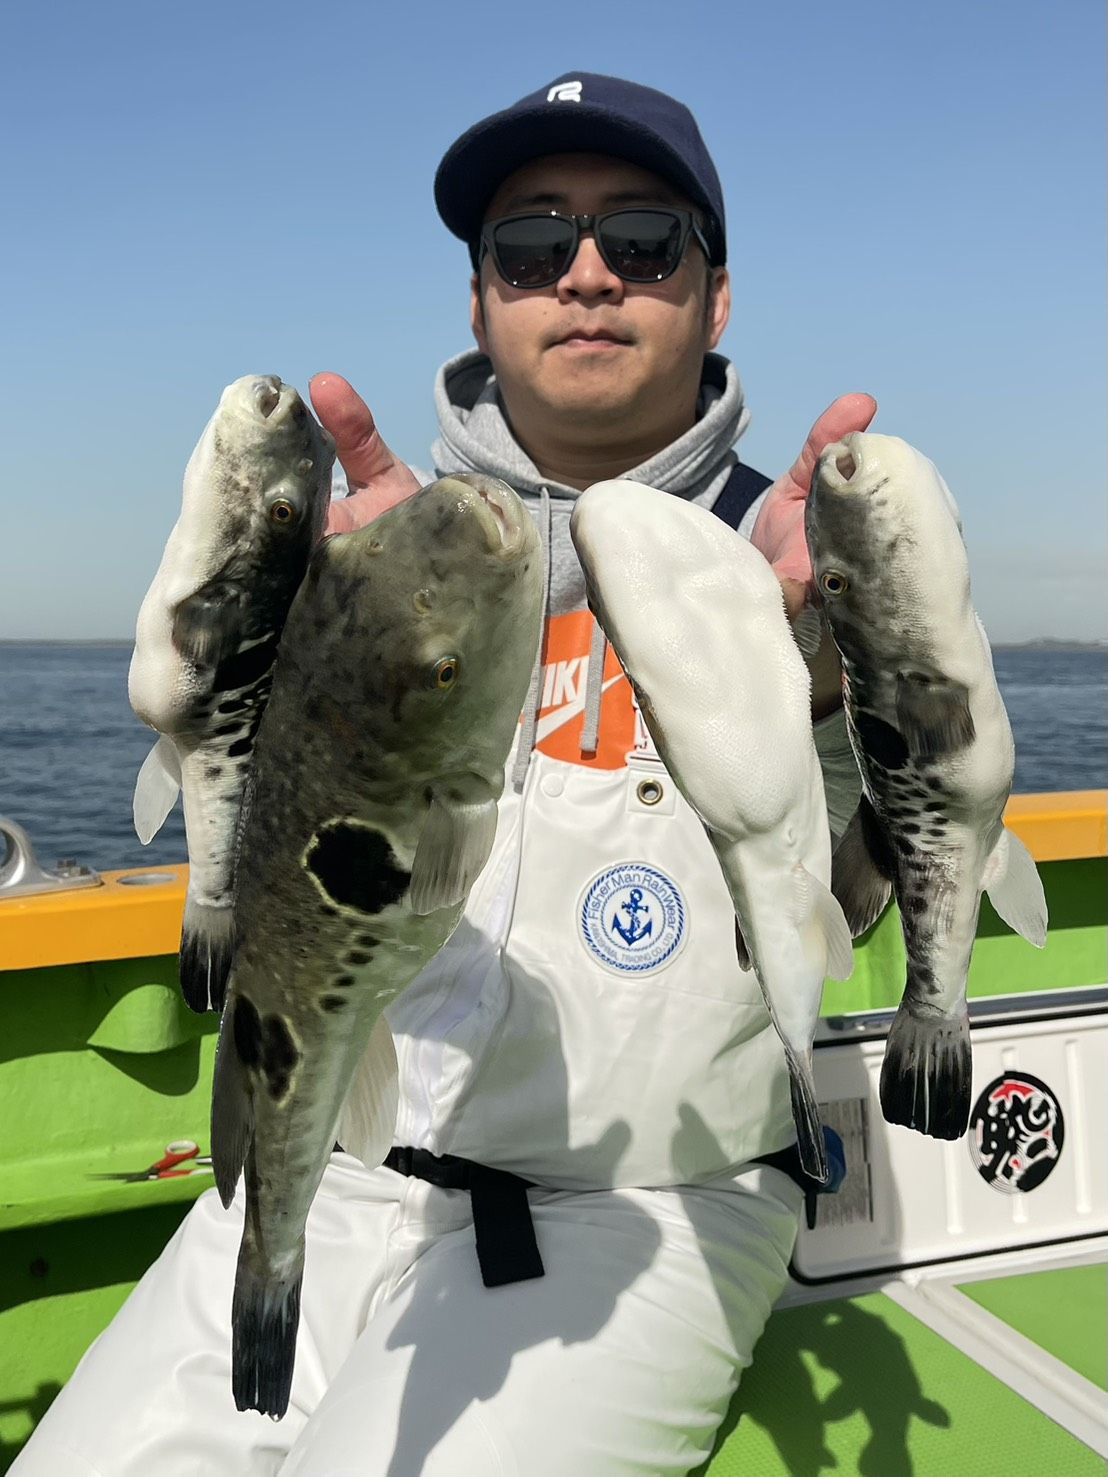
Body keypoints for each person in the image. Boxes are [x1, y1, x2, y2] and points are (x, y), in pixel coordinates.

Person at [13, 72, 874, 1476]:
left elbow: (863, 901)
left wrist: (824, 690)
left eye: (641, 238)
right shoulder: (367, 552)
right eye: (529, 245)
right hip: (326, 1166)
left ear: (715, 295)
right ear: (480, 303)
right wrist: (238, 664)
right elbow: (257, 823)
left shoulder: (792, 564)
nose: (584, 275)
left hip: (642, 1209)